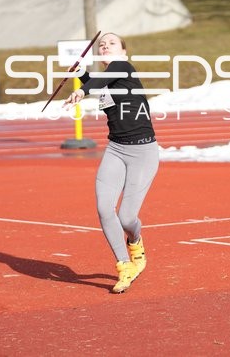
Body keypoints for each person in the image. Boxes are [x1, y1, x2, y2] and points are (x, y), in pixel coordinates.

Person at [63, 32, 159, 294]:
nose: (105, 46)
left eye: (111, 43)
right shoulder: (109, 78)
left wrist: (81, 90)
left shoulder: (124, 67)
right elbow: (101, 86)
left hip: (143, 152)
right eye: (102, 45)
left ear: (124, 52)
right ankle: (125, 265)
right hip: (116, 149)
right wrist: (81, 75)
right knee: (105, 209)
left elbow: (100, 81)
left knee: (127, 217)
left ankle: (135, 241)